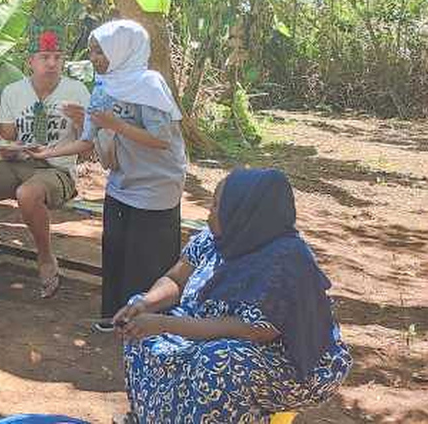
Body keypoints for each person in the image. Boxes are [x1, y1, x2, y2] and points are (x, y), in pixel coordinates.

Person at [111, 168, 352, 423]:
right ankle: (152, 417)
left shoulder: (286, 259)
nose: (209, 212)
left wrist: (162, 325)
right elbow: (175, 280)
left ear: (243, 212)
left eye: (217, 205)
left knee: (217, 361)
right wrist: (144, 303)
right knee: (140, 328)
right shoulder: (213, 240)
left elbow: (254, 330)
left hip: (289, 361)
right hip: (210, 333)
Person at [31, 19, 187, 322]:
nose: (93, 58)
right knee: (116, 252)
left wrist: (117, 126)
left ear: (121, 52)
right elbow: (87, 140)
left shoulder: (150, 85)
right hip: (122, 183)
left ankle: (149, 325)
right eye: (91, 52)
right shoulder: (103, 87)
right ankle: (115, 319)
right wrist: (49, 151)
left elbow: (161, 140)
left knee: (148, 259)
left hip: (157, 187)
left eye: (100, 52)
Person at [0, 24, 90, 299]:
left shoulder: (77, 91)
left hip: (57, 169)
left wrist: (82, 123)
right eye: (45, 56)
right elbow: (7, 141)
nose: (52, 63)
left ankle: (45, 258)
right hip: (18, 164)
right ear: (30, 61)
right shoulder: (14, 92)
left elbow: (88, 149)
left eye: (57, 57)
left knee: (27, 194)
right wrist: (8, 149)